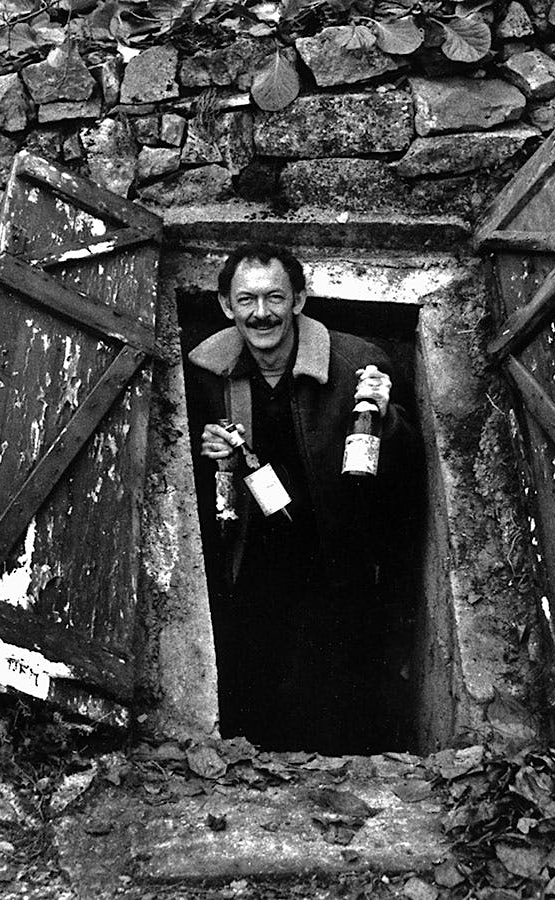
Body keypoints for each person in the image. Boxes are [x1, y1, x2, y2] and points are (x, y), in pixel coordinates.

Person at [185, 242, 419, 754]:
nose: (261, 313)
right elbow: (182, 480)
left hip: (339, 551)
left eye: (275, 297)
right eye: (246, 300)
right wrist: (206, 454)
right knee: (260, 681)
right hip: (254, 556)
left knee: (342, 688)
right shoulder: (204, 372)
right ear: (225, 305)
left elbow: (408, 471)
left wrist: (387, 418)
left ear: (299, 300)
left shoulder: (358, 362)